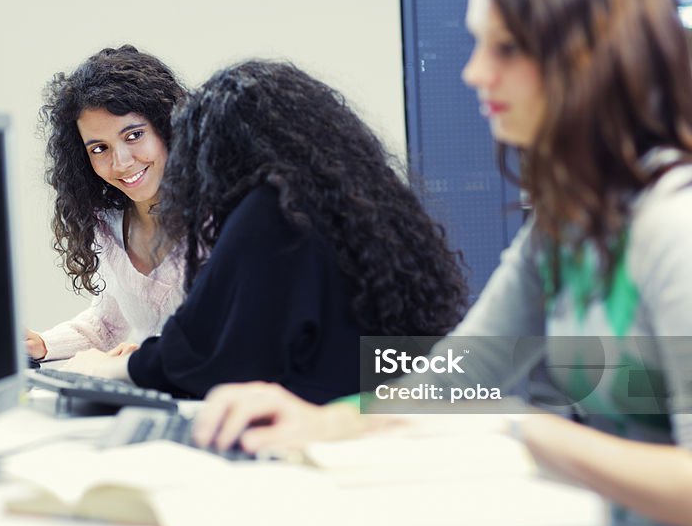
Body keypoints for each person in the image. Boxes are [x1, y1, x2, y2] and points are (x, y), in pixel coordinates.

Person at [191, 0, 692, 526]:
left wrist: (520, 426)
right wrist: (316, 418)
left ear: (586, 59)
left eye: (505, 49)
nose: (474, 72)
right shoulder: (569, 227)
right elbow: (453, 380)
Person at [65, 60, 468, 403]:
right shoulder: (352, 204)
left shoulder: (269, 212)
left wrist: (104, 370)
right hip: (411, 406)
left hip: (350, 427)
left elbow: (203, 350)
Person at [25, 45, 187, 362]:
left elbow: (240, 330)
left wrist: (154, 354)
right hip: (151, 393)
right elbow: (106, 325)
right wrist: (42, 344)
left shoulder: (221, 216)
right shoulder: (109, 222)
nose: (122, 162)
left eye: (134, 135)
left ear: (168, 127)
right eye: (100, 148)